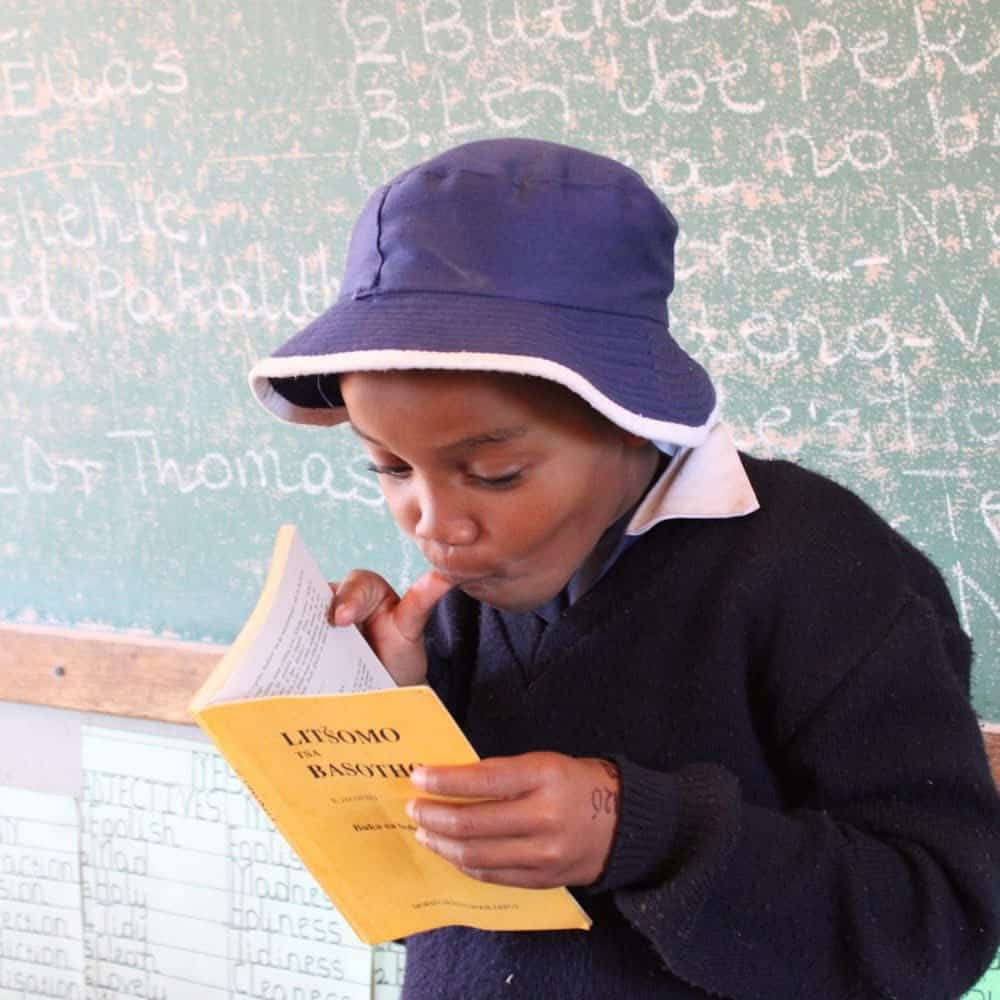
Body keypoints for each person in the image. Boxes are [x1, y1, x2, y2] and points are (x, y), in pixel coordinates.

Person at [249, 137, 1000, 999]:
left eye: (494, 473)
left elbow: (939, 923)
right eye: (388, 468)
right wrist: (381, 710)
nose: (436, 521)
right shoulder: (462, 599)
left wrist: (638, 831)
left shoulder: (826, 574)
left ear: (631, 415)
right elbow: (424, 888)